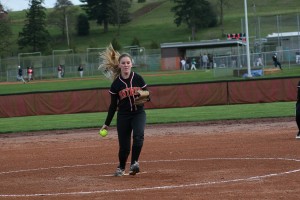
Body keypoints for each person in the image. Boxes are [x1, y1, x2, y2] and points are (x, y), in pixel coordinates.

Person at [99, 50, 150, 177]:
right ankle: (121, 167)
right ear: (119, 65)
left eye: (128, 62)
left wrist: (142, 95)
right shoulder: (116, 84)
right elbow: (112, 106)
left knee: (138, 137)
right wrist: (106, 124)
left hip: (138, 113)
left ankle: (134, 164)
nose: (126, 65)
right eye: (123, 63)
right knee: (124, 148)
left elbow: (148, 96)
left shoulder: (138, 78)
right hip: (123, 116)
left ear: (131, 64)